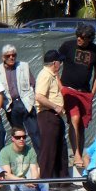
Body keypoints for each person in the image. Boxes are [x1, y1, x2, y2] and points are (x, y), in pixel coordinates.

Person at [59, 23, 96, 168]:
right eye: (78, 35)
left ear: (89, 39)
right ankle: (77, 154)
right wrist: (61, 87)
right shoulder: (68, 46)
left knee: (82, 125)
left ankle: (80, 151)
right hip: (68, 90)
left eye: (83, 37)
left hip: (85, 92)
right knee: (75, 118)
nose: (79, 39)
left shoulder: (95, 50)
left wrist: (92, 93)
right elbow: (55, 66)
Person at [0, 126, 52, 191]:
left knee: (44, 184)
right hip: (12, 183)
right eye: (18, 137)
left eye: (24, 137)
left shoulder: (30, 150)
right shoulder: (4, 152)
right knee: (12, 186)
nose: (22, 139)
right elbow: (7, 175)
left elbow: (34, 170)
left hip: (24, 183)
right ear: (12, 138)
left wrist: (34, 181)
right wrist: (23, 181)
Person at [0, 45, 40, 150]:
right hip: (11, 105)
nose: (11, 57)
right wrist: (2, 106)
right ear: (3, 57)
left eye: (13, 55)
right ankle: (22, 156)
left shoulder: (24, 66)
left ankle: (41, 157)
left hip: (26, 102)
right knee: (18, 135)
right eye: (8, 55)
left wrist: (32, 100)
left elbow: (33, 84)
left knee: (35, 132)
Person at [35, 49, 68, 181]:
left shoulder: (53, 76)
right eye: (60, 62)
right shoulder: (45, 75)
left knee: (61, 149)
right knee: (48, 149)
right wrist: (55, 107)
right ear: (54, 63)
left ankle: (63, 181)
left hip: (56, 116)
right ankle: (46, 181)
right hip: (47, 115)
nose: (61, 64)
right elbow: (39, 96)